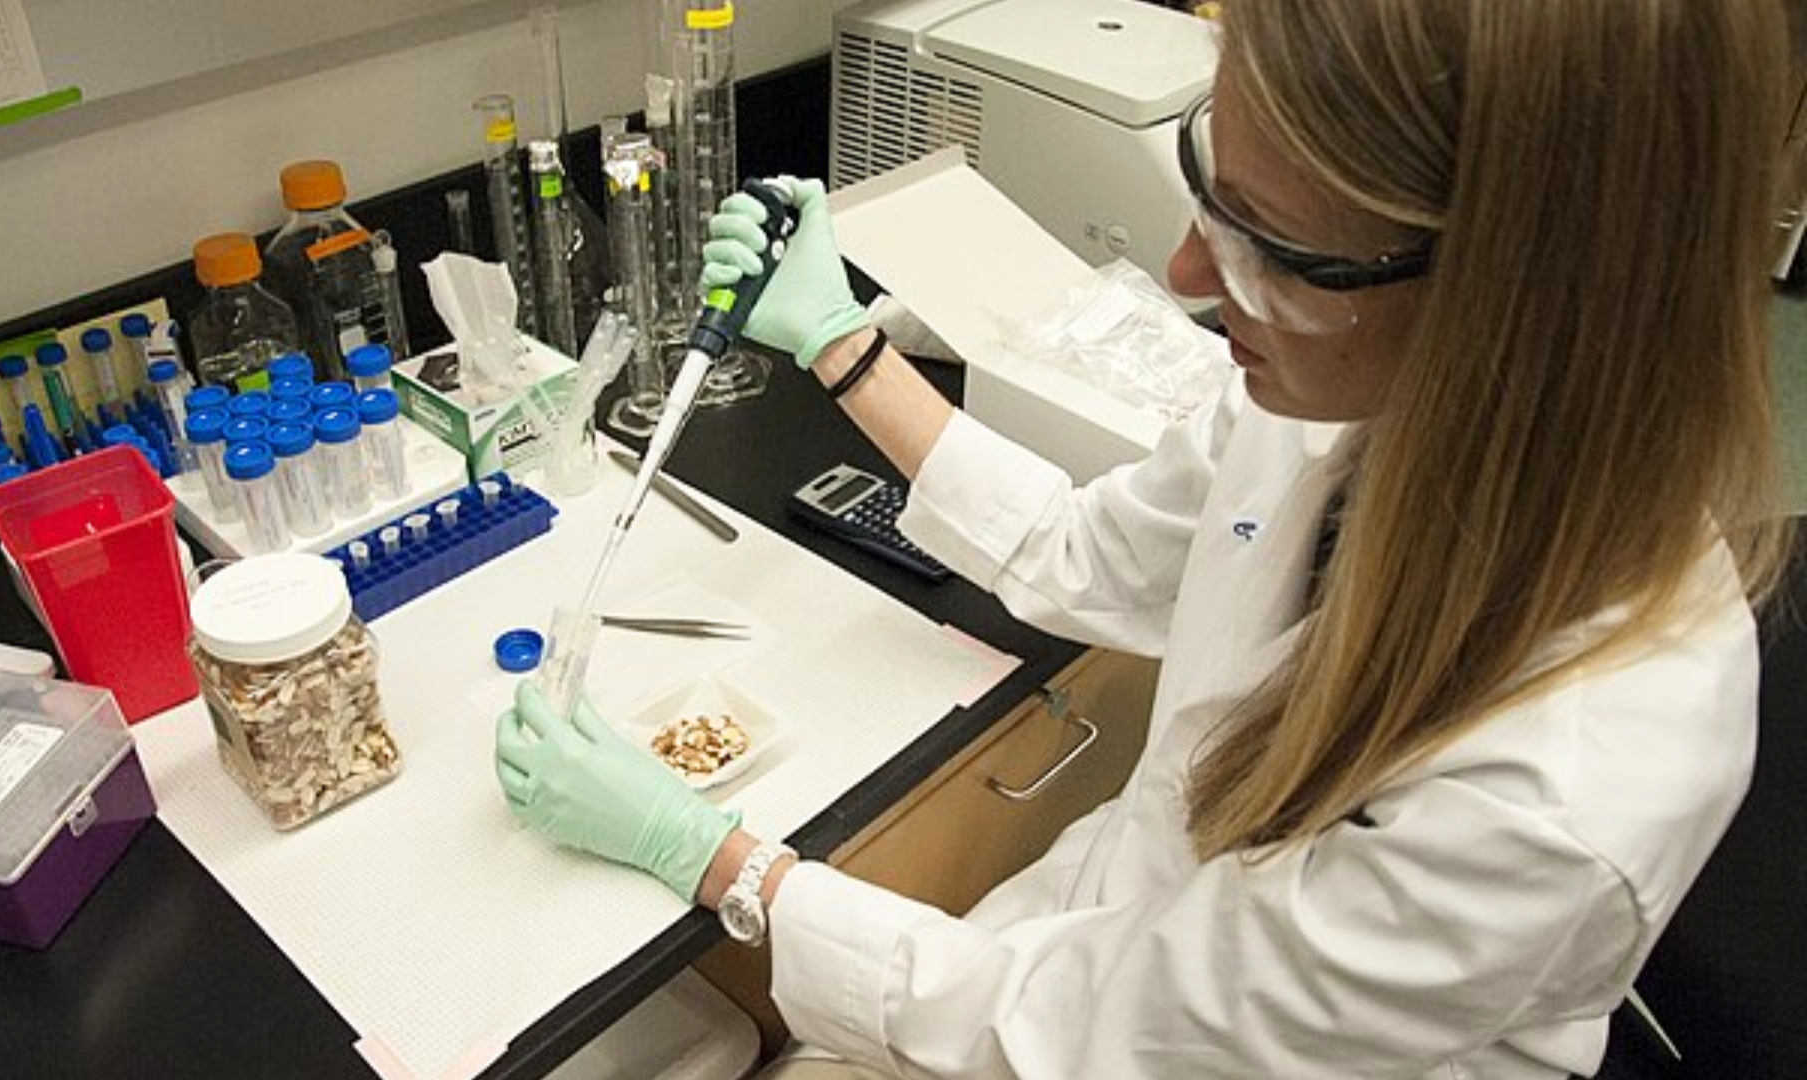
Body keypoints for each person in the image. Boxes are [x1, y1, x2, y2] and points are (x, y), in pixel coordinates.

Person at [493, 0, 1800, 1076]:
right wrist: (845, 346)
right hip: (1085, 947)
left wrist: (713, 860)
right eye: (1207, 180)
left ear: (1525, 300)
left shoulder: (1561, 781)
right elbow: (1086, 554)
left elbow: (1089, 1038)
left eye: (1272, 247)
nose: (1183, 275)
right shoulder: (1338, 398)